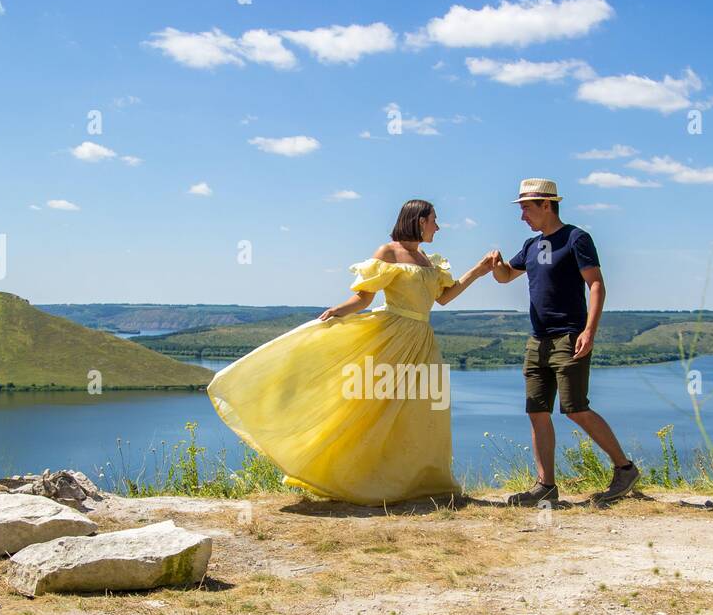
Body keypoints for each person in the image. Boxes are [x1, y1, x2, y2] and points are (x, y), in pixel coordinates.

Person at [206, 199, 498, 506]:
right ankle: (358, 478)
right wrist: (336, 312)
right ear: (419, 220)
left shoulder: (427, 259)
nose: (438, 227)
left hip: (423, 341)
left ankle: (417, 483)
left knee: (425, 412)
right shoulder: (388, 252)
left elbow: (444, 298)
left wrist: (478, 271)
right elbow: (363, 299)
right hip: (392, 339)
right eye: (434, 220)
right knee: (372, 409)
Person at [490, 178, 639, 507]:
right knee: (537, 411)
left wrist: (589, 330)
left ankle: (625, 469)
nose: (522, 216)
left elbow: (596, 285)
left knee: (575, 408)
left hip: (569, 336)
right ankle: (546, 486)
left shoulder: (576, 238)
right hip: (537, 340)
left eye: (526, 208)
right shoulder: (531, 246)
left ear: (547, 205)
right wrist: (496, 265)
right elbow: (504, 277)